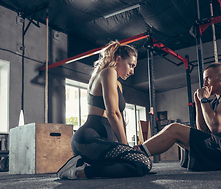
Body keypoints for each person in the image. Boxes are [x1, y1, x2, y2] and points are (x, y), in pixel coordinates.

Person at [57, 41, 152, 179]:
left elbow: (120, 116)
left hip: (104, 141)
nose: (133, 71)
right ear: (118, 59)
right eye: (131, 65)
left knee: (141, 163)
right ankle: (77, 173)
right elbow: (112, 113)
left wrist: (125, 147)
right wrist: (125, 146)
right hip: (88, 140)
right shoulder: (108, 72)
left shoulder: (118, 84)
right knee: (142, 163)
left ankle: (84, 166)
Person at [135, 62, 221, 171]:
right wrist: (198, 102)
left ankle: (137, 153)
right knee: (175, 130)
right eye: (204, 80)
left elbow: (215, 127)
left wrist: (204, 100)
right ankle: (139, 151)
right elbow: (203, 131)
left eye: (208, 78)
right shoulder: (215, 102)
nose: (205, 83)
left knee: (175, 129)